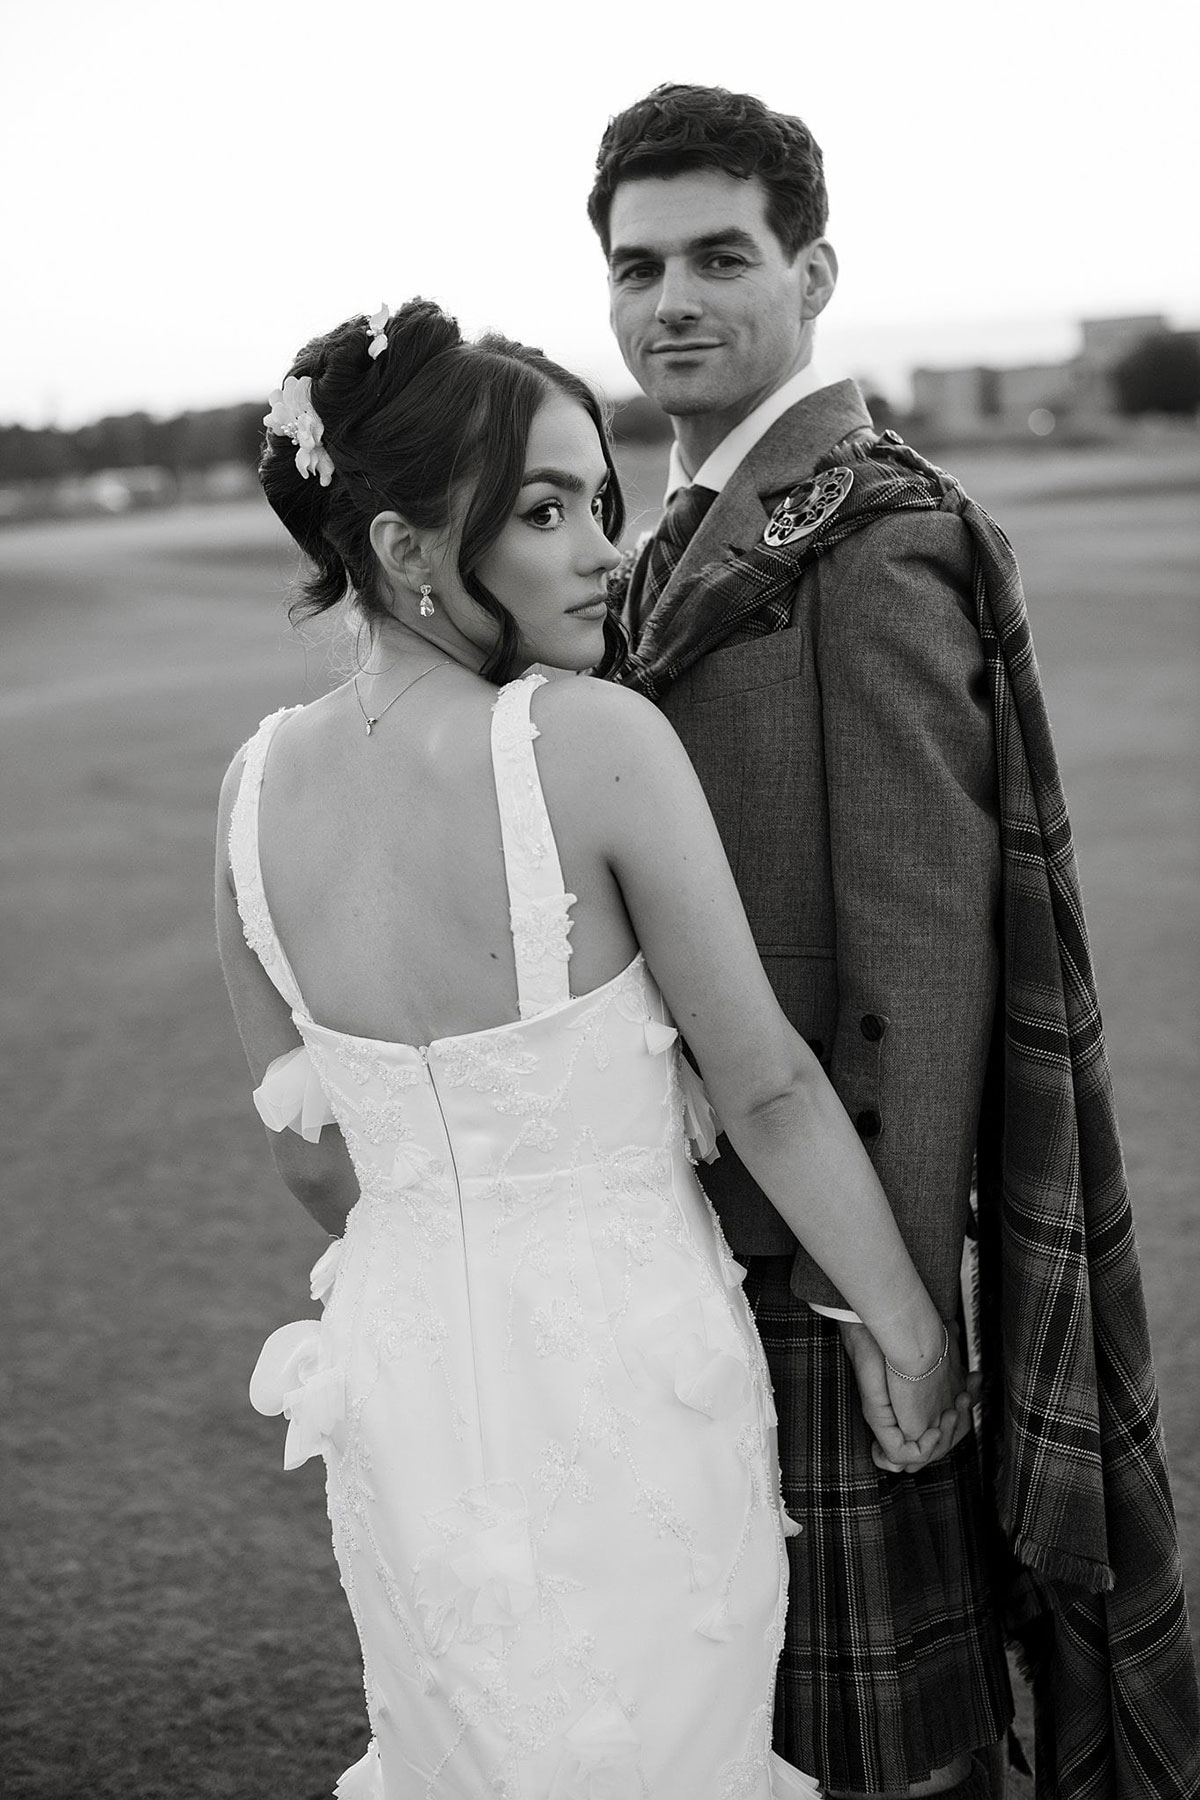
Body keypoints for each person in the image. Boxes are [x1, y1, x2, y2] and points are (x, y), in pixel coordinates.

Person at [216, 299, 971, 1800]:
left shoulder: (248, 791)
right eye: (546, 510)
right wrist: (909, 1323)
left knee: (463, 1745)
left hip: (404, 1375)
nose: (603, 551)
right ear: (405, 551)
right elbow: (764, 1083)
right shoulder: (589, 737)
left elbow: (313, 1162)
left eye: (600, 503)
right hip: (626, 1367)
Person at [588, 82, 1200, 1800]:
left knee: (877, 1758)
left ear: (816, 270)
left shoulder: (867, 544)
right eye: (640, 268)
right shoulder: (683, 525)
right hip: (687, 1238)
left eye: (722, 256)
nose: (674, 302)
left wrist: (892, 1312)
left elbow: (923, 972)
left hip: (821, 1259)